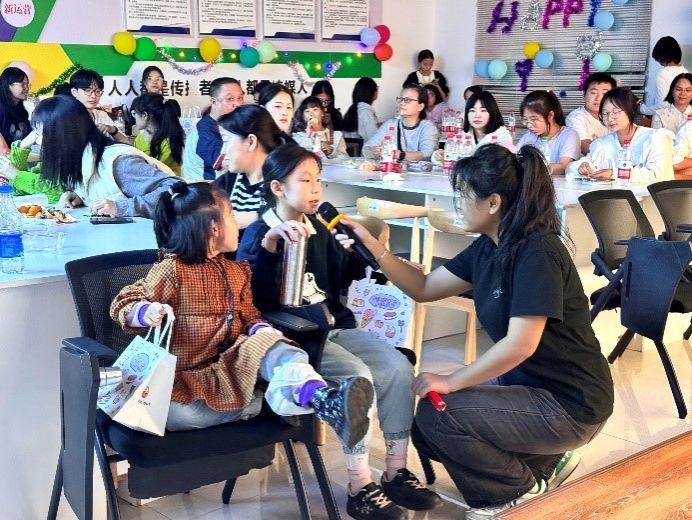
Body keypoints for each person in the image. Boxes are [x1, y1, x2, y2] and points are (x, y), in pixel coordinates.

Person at [337, 142, 614, 519]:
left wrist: (453, 380)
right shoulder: (488, 247)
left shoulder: (538, 251)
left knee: (441, 416)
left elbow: (520, 344)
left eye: (463, 195)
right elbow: (424, 287)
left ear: (493, 203)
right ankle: (547, 462)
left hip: (572, 404)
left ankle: (515, 493)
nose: (457, 204)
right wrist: (375, 249)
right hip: (532, 388)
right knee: (429, 424)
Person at [237, 143, 442, 520]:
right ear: (278, 187)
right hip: (294, 337)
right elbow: (250, 301)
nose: (316, 189)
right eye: (305, 181)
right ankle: (360, 485)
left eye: (318, 180)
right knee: (357, 377)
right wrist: (269, 247)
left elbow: (341, 281)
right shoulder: (260, 234)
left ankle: (396, 472)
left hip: (334, 326)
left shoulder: (319, 227)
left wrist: (357, 256)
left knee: (397, 367)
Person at [110, 181, 373, 447]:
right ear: (214, 228)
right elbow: (125, 300)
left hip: (233, 363)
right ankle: (269, 401)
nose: (237, 223)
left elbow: (249, 314)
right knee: (179, 415)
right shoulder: (172, 271)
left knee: (276, 345)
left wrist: (262, 330)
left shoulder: (236, 272)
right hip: (188, 377)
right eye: (232, 216)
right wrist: (143, 311)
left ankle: (321, 398)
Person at [32, 95, 177, 218]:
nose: (39, 142)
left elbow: (176, 190)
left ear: (64, 135)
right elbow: (111, 192)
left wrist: (121, 207)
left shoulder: (119, 163)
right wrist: (81, 197)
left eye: (41, 134)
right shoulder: (82, 159)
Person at [569, 87, 675, 184]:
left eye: (615, 112)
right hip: (615, 197)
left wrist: (614, 173)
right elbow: (572, 167)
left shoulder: (655, 138)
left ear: (631, 111)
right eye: (605, 113)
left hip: (649, 198)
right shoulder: (602, 144)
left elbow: (657, 175)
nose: (610, 118)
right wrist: (582, 167)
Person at [213, 104, 291, 231]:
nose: (223, 151)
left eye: (226, 141)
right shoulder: (227, 182)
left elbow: (288, 220)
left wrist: (254, 218)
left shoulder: (283, 185)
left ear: (251, 142)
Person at [183, 77, 244, 181]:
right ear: (214, 102)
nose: (238, 104)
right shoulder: (205, 130)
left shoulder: (227, 125)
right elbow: (226, 164)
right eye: (230, 99)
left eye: (240, 98)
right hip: (206, 188)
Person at [432, 90, 513, 166]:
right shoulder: (461, 135)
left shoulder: (502, 137)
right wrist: (438, 156)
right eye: (472, 111)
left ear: (492, 113)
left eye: (483, 110)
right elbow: (448, 159)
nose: (477, 115)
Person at [363, 85, 440, 162]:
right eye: (401, 99)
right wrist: (372, 152)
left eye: (408, 100)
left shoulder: (428, 127)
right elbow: (367, 148)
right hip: (393, 169)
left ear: (420, 106)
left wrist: (400, 155)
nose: (402, 103)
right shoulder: (390, 124)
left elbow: (428, 154)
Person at [516, 90, 580, 175]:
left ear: (550, 115)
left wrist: (535, 169)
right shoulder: (528, 136)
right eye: (526, 120)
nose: (529, 125)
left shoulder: (569, 135)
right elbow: (515, 158)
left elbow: (564, 166)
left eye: (533, 119)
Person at [131, 93, 185, 175]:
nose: (134, 117)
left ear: (145, 115)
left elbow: (153, 170)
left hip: (168, 181)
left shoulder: (168, 141)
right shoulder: (139, 138)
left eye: (135, 114)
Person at [69, 69, 128, 143]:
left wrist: (111, 129)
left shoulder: (101, 115)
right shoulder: (65, 116)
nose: (93, 96)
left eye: (98, 91)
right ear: (74, 92)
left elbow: (126, 142)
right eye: (87, 90)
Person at [566, 72, 617, 155]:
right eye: (593, 93)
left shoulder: (616, 116)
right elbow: (585, 148)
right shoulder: (575, 118)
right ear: (584, 94)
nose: (598, 98)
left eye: (604, 94)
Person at [640, 36, 688, 116]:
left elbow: (662, 105)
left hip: (667, 120)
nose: (658, 62)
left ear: (662, 56)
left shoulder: (662, 74)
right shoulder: (685, 71)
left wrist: (643, 110)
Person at [292, 96, 349, 161]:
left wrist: (331, 152)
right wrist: (308, 137)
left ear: (322, 113)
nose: (311, 114)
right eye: (307, 111)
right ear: (303, 117)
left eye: (315, 109)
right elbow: (298, 159)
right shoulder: (298, 136)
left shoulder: (336, 135)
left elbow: (345, 159)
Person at [0, 66, 32, 152]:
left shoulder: (21, 110)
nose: (27, 88)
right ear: (9, 86)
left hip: (21, 156)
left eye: (27, 84)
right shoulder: (1, 109)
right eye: (23, 84)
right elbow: (3, 151)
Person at [342, 77, 380, 142]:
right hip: (363, 148)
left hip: (351, 148)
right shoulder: (365, 112)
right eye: (377, 89)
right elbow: (374, 139)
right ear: (372, 93)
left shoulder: (353, 109)